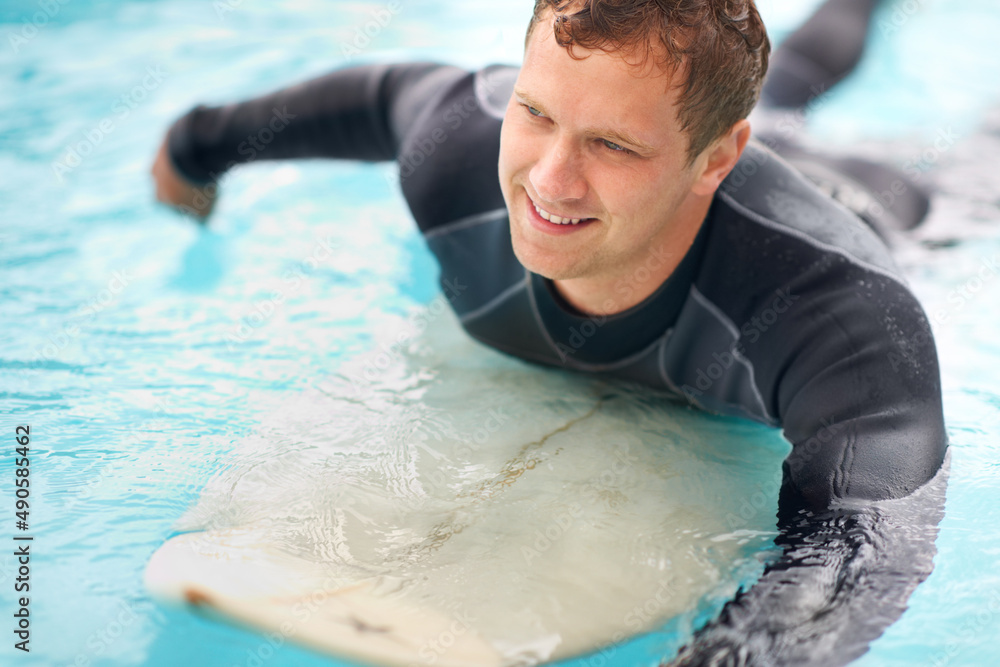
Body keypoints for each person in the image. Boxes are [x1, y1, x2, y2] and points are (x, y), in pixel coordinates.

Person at [151, 0, 949, 664]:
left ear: (717, 160)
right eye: (534, 112)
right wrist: (194, 152)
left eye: (610, 144)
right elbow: (371, 97)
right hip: (700, 120)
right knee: (788, 82)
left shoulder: (836, 315)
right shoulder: (457, 148)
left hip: (889, 198)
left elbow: (863, 547)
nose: (548, 181)